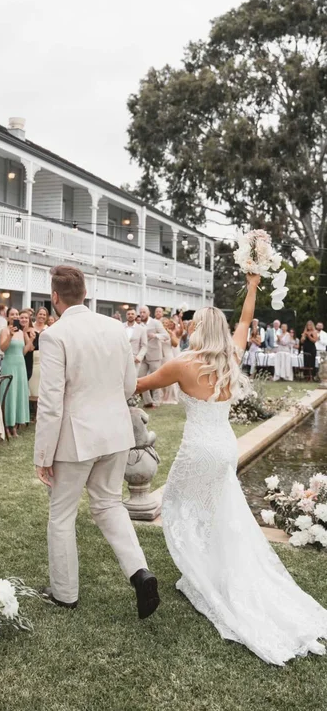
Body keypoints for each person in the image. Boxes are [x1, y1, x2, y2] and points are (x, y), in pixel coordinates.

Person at [137, 275, 327, 664]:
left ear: (197, 330)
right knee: (218, 511)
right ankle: (212, 568)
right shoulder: (231, 357)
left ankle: (203, 573)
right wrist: (252, 285)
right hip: (225, 448)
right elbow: (245, 320)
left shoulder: (182, 364)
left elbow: (138, 385)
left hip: (198, 449)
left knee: (176, 503)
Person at [34, 265, 159, 618]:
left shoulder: (54, 335)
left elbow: (51, 402)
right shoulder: (115, 328)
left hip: (75, 438)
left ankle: (64, 593)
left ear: (55, 297)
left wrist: (43, 454)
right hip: (115, 434)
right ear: (84, 293)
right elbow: (129, 386)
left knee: (62, 515)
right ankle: (140, 572)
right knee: (109, 505)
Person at [0, 307, 31, 437]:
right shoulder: (5, 330)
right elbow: (2, 348)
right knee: (9, 393)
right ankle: (6, 425)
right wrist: (10, 335)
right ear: (7, 317)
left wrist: (30, 340)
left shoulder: (21, 332)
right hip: (9, 364)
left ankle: (15, 424)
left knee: (18, 393)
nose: (15, 316)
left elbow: (24, 351)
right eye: (12, 314)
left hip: (20, 365)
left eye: (17, 314)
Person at [137, 305, 170, 408]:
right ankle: (148, 401)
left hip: (155, 355)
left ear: (148, 313)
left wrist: (155, 335)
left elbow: (166, 336)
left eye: (144, 312)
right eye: (140, 312)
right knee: (141, 377)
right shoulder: (138, 324)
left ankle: (156, 401)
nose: (142, 314)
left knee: (156, 378)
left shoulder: (155, 323)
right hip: (142, 355)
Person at [28, 307, 49, 402]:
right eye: (40, 314)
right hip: (31, 356)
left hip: (43, 357)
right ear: (36, 315)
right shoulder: (30, 327)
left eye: (44, 315)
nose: (42, 316)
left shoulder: (49, 329)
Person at [159, 318, 179, 404]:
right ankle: (161, 397)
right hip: (159, 357)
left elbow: (175, 344)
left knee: (169, 376)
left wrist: (171, 335)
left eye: (166, 323)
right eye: (163, 323)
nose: (165, 324)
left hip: (168, 357)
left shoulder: (170, 333)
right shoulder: (158, 333)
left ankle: (171, 397)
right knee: (160, 377)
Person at [123, 308, 147, 374]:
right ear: (126, 315)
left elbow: (144, 346)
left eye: (132, 314)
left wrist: (139, 357)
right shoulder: (121, 326)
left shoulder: (142, 329)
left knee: (132, 378)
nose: (130, 315)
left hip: (134, 360)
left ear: (135, 315)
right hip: (122, 358)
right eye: (128, 314)